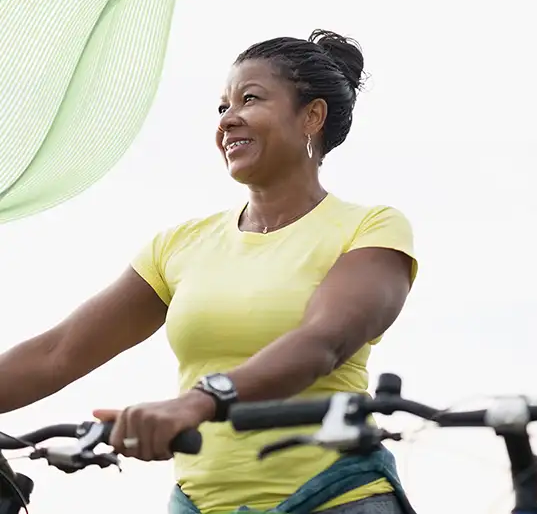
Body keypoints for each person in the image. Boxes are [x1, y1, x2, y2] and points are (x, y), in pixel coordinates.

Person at [0, 30, 418, 514]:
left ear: (312, 116)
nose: (229, 119)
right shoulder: (179, 245)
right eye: (222, 108)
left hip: (335, 500)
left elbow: (322, 342)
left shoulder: (371, 228)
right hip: (198, 504)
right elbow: (58, 352)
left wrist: (197, 402)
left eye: (250, 99)